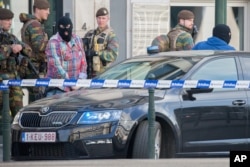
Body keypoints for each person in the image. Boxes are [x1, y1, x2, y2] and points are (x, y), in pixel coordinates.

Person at [0, 8, 32, 118]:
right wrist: (10, 48)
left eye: (11, 20)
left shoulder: (10, 37)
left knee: (18, 116)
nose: (10, 23)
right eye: (7, 20)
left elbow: (29, 50)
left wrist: (21, 47)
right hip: (1, 83)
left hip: (13, 83)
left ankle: (17, 135)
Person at [45, 16, 87, 97]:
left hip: (77, 88)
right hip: (58, 88)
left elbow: (83, 62)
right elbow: (57, 67)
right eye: (62, 27)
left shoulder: (77, 39)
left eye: (68, 27)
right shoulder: (53, 42)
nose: (66, 31)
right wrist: (70, 83)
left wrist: (80, 81)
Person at [19, 0, 50, 102]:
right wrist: (51, 42)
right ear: (37, 10)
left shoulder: (29, 23)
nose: (48, 12)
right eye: (45, 9)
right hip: (35, 68)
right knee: (39, 100)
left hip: (31, 67)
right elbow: (40, 47)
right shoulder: (35, 24)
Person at [83, 7, 119, 78]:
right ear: (96, 19)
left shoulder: (111, 35)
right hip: (88, 71)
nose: (101, 20)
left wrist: (96, 53)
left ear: (108, 19)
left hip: (103, 73)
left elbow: (113, 55)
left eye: (103, 18)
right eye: (99, 18)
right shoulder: (89, 34)